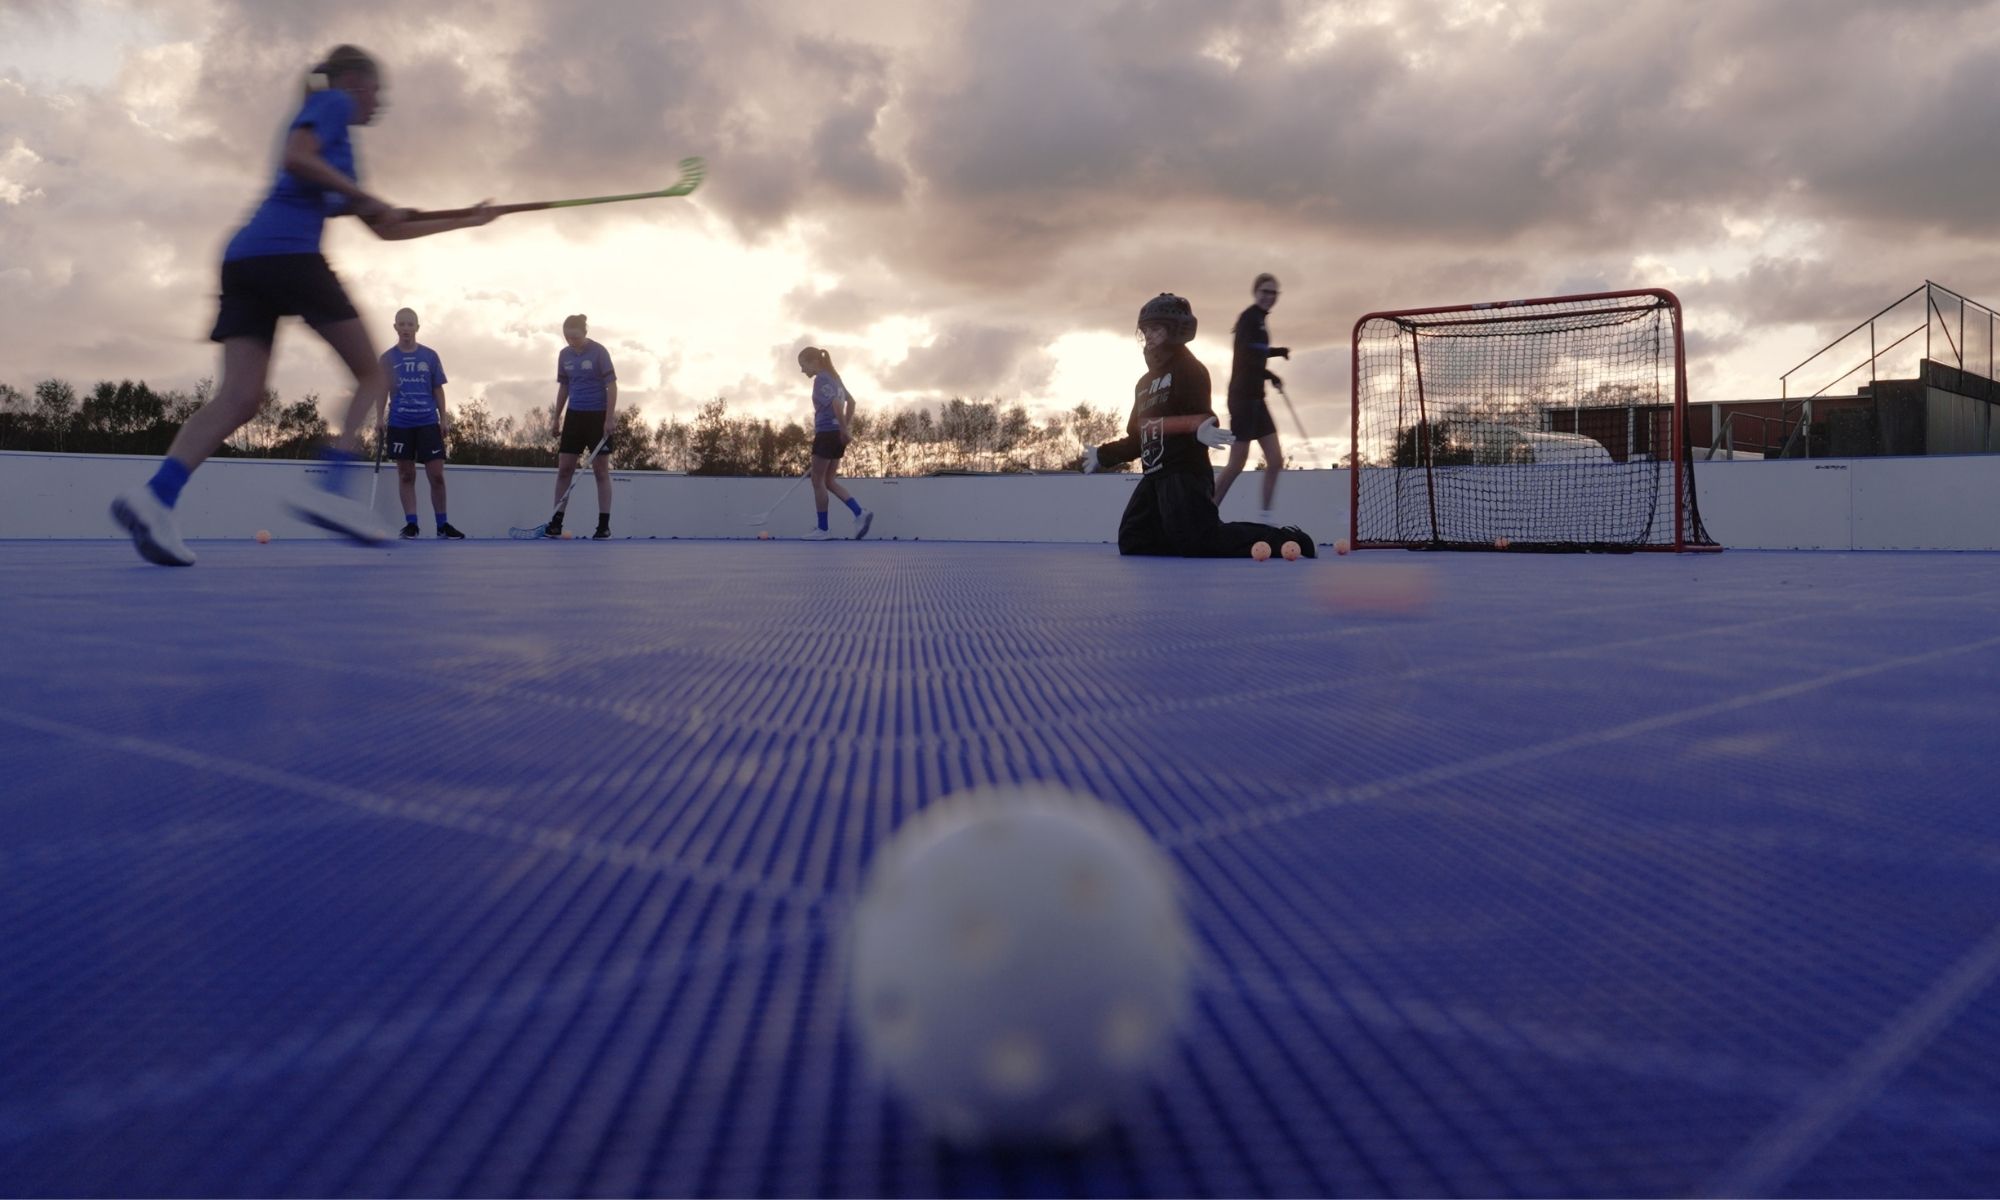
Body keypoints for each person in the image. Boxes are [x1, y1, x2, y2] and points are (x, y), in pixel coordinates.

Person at [110, 45, 496, 566]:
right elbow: (298, 156)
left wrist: (467, 220)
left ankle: (155, 495)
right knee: (373, 375)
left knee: (241, 397)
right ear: (357, 82)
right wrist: (362, 196)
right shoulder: (333, 103)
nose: (380, 101)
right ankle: (332, 490)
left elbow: (386, 228)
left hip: (245, 258)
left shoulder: (343, 148)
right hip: (287, 252)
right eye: (378, 89)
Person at [1084, 294, 1314, 558]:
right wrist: (1103, 455)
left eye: (1156, 329)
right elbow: (1139, 437)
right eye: (1145, 329)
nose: (1148, 335)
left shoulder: (1189, 369)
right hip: (1154, 476)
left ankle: (1282, 539)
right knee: (1135, 540)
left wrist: (1202, 429)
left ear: (1176, 331)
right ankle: (1182, 538)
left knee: (1201, 540)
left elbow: (1203, 416)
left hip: (1185, 473)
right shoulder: (1144, 384)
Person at [1211, 273, 1291, 519]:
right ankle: (1205, 512)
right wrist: (1271, 375)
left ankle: (1265, 520)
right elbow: (1245, 358)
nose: (1269, 297)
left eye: (1273, 293)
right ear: (1255, 292)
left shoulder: (1260, 321)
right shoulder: (1249, 318)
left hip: (1258, 399)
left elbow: (1257, 352)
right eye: (1265, 291)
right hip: (1242, 399)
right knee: (1237, 463)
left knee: (1276, 460)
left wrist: (1277, 353)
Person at [379, 308, 463, 538]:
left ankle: (442, 525)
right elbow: (382, 391)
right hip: (400, 422)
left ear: (417, 327)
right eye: (402, 324)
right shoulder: (387, 358)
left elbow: (438, 388)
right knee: (406, 475)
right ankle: (412, 524)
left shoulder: (430, 356)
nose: (406, 328)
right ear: (395, 327)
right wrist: (378, 419)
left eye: (410, 324)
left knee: (436, 475)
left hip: (427, 422)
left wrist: (443, 418)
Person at [544, 314, 617, 539]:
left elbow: (612, 386)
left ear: (584, 333)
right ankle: (556, 522)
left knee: (600, 471)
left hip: (597, 416)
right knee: (565, 469)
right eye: (567, 337)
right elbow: (564, 387)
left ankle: (603, 526)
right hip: (574, 417)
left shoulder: (599, 352)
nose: (571, 341)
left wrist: (609, 418)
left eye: (574, 337)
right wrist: (557, 417)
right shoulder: (564, 355)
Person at [798, 346, 874, 540]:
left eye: (803, 365)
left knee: (817, 481)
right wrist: (844, 428)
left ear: (814, 361)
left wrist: (843, 429)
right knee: (829, 481)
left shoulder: (821, 379)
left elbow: (836, 404)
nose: (802, 370)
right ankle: (859, 512)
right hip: (836, 434)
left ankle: (823, 530)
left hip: (826, 433)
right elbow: (852, 402)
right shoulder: (836, 379)